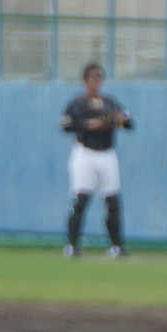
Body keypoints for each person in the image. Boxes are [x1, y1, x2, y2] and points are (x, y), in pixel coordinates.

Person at [61, 62, 130, 258]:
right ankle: (72, 245)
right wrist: (89, 124)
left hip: (107, 154)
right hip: (85, 153)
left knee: (112, 200)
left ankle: (116, 246)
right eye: (92, 77)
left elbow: (128, 121)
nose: (96, 81)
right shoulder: (78, 103)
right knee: (81, 198)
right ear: (85, 80)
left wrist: (118, 120)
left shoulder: (110, 102)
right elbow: (66, 125)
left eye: (99, 77)